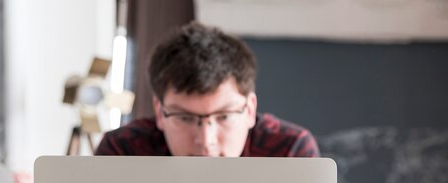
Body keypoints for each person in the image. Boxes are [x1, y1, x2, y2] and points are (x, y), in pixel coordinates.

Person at [96, 22, 320, 158]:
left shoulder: (290, 150)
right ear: (159, 112)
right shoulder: (122, 151)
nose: (206, 141)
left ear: (250, 110)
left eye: (224, 116)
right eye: (184, 117)